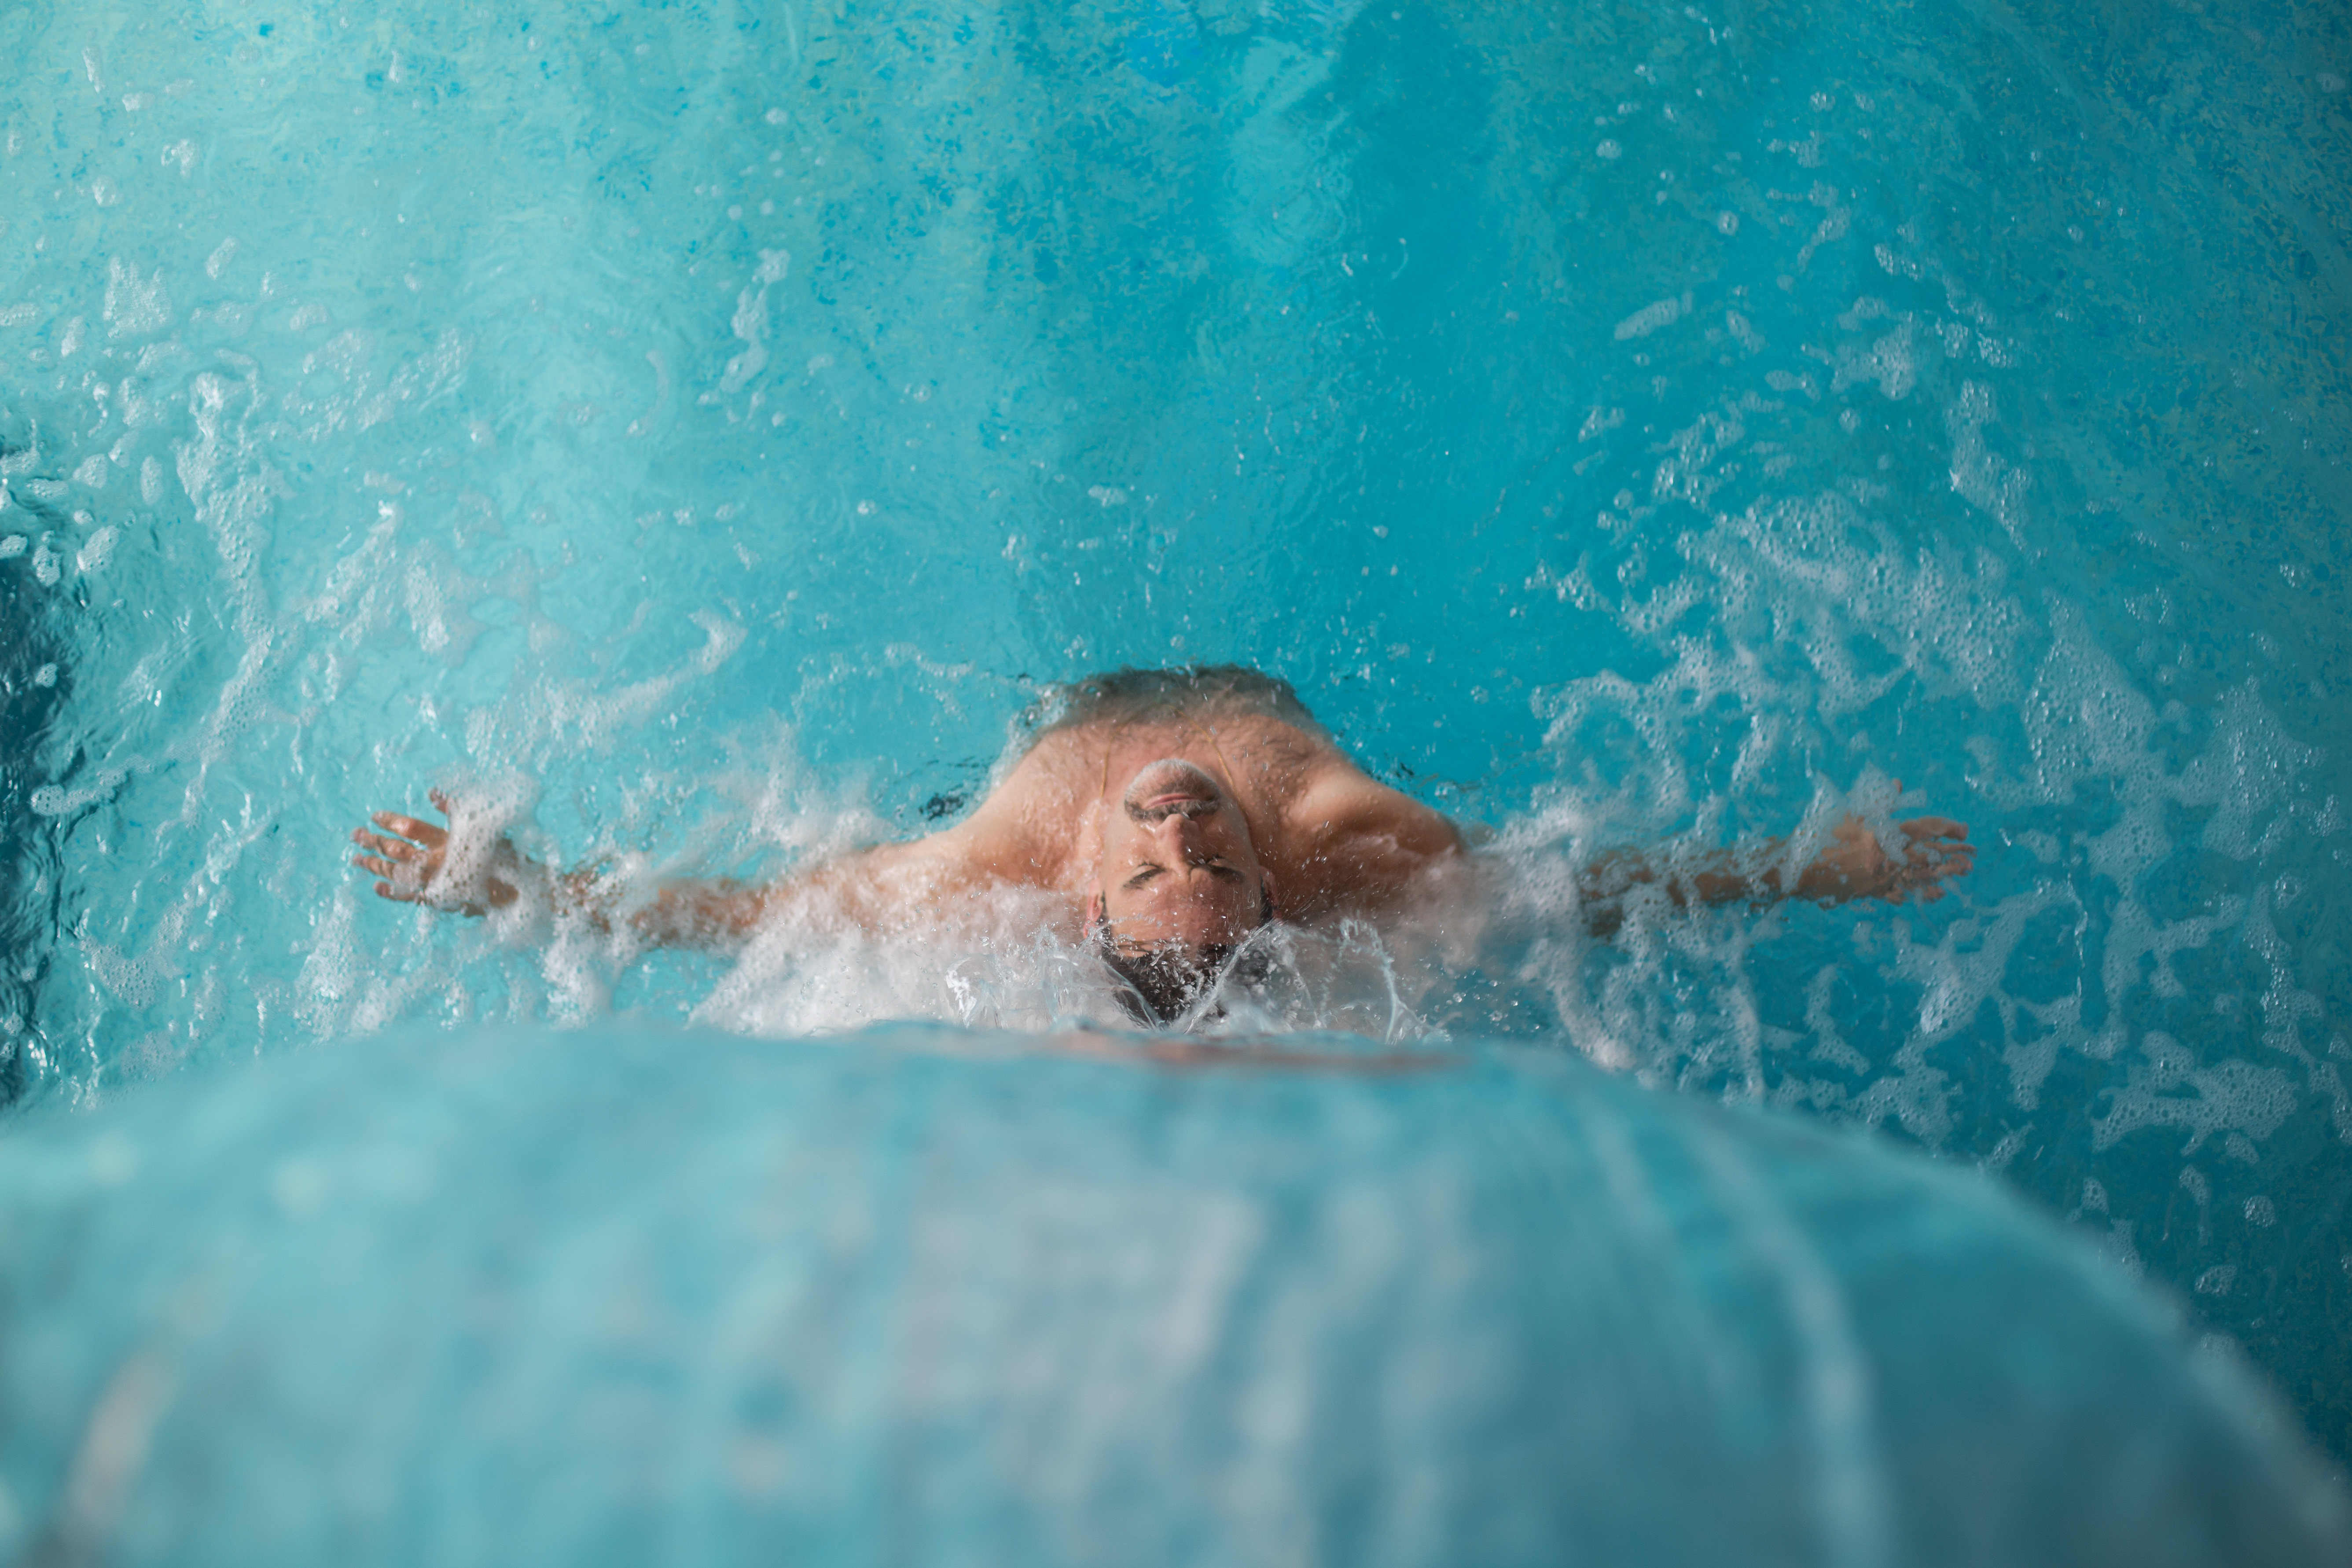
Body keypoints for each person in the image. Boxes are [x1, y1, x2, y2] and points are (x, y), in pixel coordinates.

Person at [351, 665, 1974, 1023]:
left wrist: (525, 888)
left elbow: (745, 916)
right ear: (1280, 881)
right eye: (1200, 841)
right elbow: (1597, 894)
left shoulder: (994, 857)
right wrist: (1814, 863)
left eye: (1158, 848)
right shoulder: (1355, 841)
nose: (1178, 813)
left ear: (1081, 888)